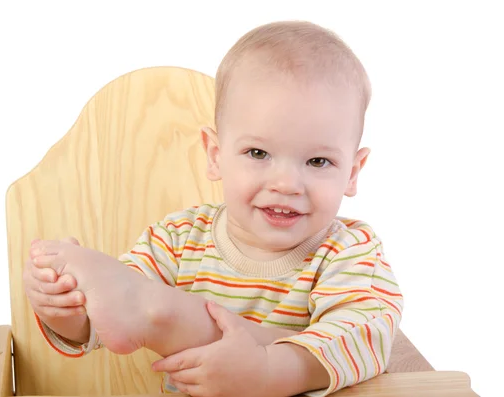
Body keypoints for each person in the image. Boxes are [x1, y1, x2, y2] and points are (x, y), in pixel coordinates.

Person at [23, 20, 403, 397]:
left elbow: (364, 340)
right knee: (130, 295)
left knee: (145, 301)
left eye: (318, 161)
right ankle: (158, 312)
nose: (286, 184)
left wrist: (266, 373)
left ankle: (166, 316)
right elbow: (109, 316)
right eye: (258, 153)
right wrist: (66, 309)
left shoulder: (351, 253)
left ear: (352, 173)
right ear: (216, 155)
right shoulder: (177, 240)